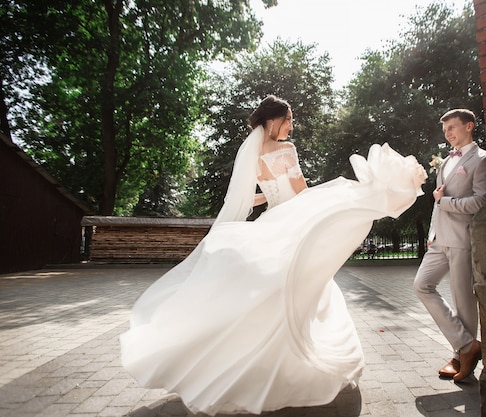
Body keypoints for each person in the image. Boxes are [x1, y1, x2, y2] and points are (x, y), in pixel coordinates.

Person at [120, 95, 428, 415]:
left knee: (275, 292)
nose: (291, 128)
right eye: (288, 121)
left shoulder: (252, 154)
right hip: (290, 224)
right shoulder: (286, 151)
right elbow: (300, 192)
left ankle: (259, 362)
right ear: (273, 121)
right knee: (300, 288)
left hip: (270, 221)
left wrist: (268, 198)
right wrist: (333, 202)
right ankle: (286, 367)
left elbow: (254, 197)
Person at [413, 108, 486, 382]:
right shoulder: (445, 162)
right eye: (445, 130)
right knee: (421, 285)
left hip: (461, 238)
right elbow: (438, 199)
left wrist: (443, 202)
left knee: (463, 301)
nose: (448, 134)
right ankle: (467, 346)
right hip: (439, 239)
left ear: (469, 126)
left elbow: (480, 201)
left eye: (453, 128)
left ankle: (460, 357)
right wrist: (432, 230)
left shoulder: (481, 160)